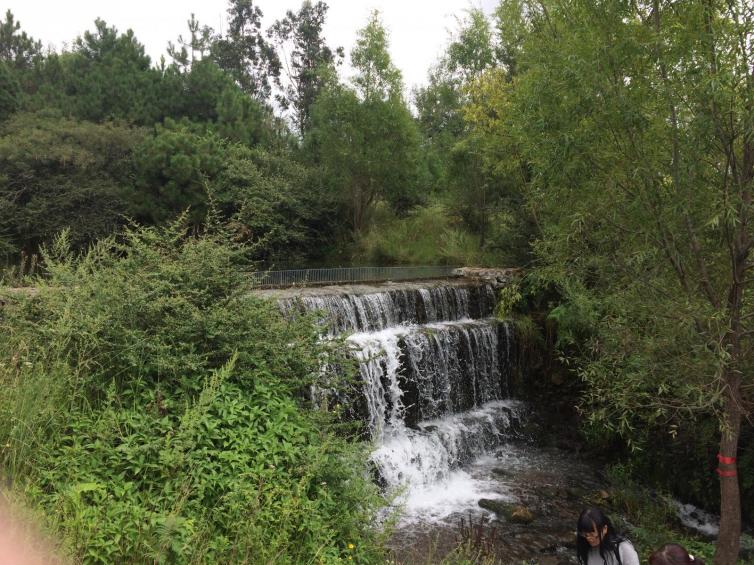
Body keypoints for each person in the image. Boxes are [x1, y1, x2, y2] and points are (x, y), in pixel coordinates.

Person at [576, 507, 640, 565]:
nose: (589, 539)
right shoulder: (585, 549)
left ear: (605, 529)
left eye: (593, 535)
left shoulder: (622, 547)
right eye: (585, 535)